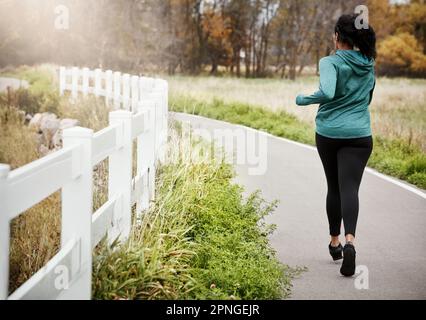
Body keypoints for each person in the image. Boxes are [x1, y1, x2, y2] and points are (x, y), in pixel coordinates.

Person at [295, 14, 376, 277]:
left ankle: (334, 242)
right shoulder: (368, 63)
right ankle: (350, 240)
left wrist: (303, 99)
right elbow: (368, 98)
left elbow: (327, 92)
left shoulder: (330, 62)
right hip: (360, 135)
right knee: (350, 188)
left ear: (337, 37)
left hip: (330, 133)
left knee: (334, 187)